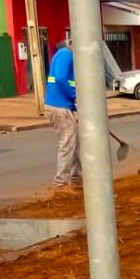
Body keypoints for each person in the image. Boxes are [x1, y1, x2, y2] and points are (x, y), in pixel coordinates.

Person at [45, 38, 80, 190]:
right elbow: (60, 79)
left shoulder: (65, 55)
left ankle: (76, 178)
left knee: (74, 143)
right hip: (60, 106)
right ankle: (61, 183)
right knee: (67, 143)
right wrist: (75, 96)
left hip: (63, 105)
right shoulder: (66, 54)